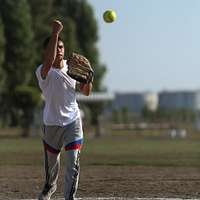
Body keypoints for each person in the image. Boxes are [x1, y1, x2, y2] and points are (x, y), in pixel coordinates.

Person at [35, 20, 92, 200]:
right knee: (52, 166)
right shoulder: (42, 71)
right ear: (47, 51)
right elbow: (50, 61)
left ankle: (69, 197)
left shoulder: (73, 67)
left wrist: (89, 79)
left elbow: (86, 92)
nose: (59, 49)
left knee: (73, 162)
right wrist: (55, 32)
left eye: (62, 46)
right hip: (51, 123)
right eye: (56, 46)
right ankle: (50, 186)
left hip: (72, 121)